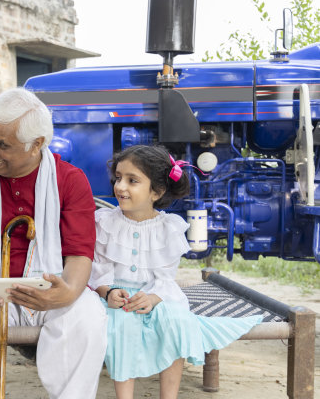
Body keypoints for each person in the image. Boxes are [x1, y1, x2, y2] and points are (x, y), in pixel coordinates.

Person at [0, 88, 107, 399]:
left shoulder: (70, 180)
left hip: (49, 290)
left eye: (3, 144)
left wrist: (66, 292)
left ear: (36, 144)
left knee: (88, 313)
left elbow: (79, 255)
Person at [90, 145, 263, 399]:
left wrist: (152, 298)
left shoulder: (168, 228)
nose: (120, 186)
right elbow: (99, 269)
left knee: (176, 321)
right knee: (121, 325)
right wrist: (109, 291)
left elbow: (165, 278)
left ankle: (168, 396)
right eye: (118, 178)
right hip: (117, 295)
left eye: (132, 180)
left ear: (157, 191)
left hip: (156, 294)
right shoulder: (105, 222)